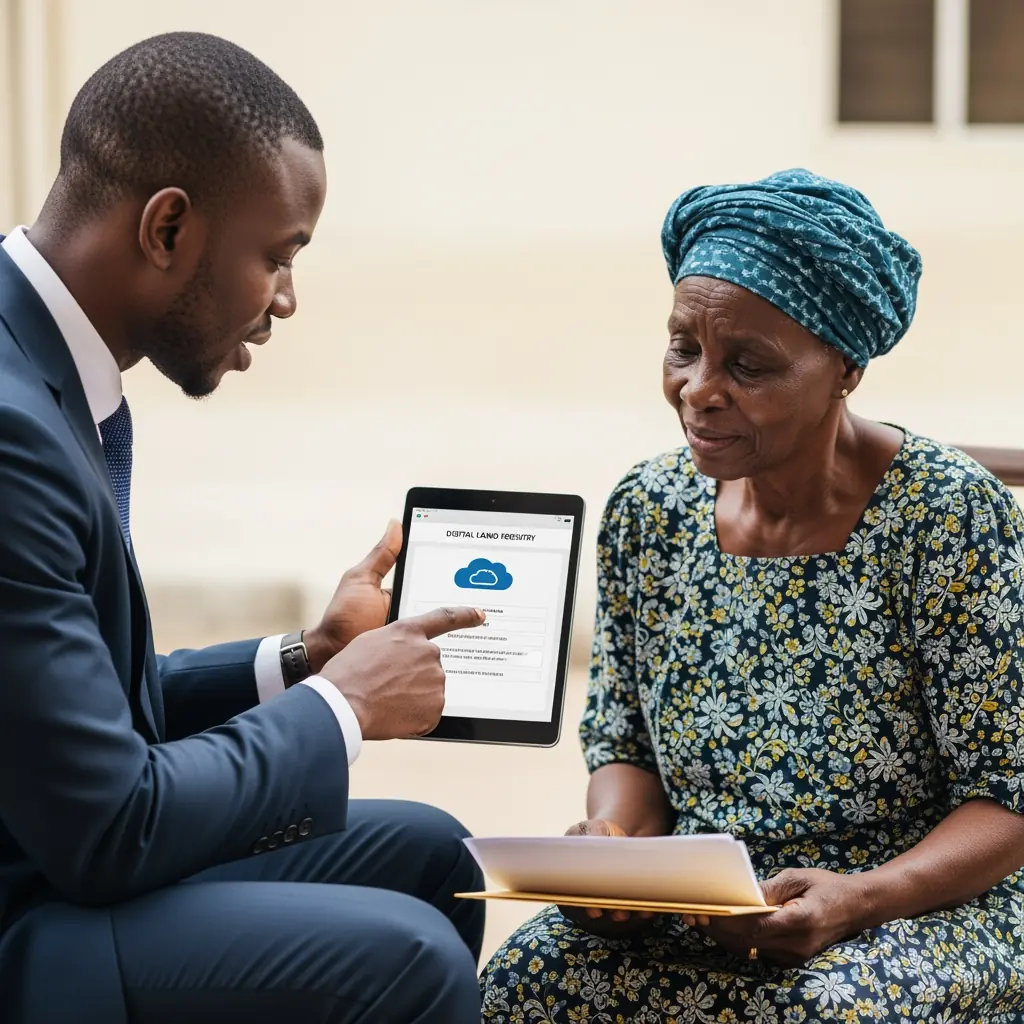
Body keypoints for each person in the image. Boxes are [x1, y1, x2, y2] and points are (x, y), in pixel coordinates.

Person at [0, 32, 487, 1024]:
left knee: (440, 859)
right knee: (408, 959)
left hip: (58, 850)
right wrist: (342, 710)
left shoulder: (44, 369)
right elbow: (108, 824)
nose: (287, 299)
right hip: (29, 911)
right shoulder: (11, 427)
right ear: (169, 227)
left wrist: (307, 661)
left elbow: (71, 722)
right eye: (278, 255)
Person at [480, 169, 1024, 1022]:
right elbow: (624, 743)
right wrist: (616, 849)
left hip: (923, 904)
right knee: (527, 982)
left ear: (844, 368)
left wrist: (859, 898)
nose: (699, 388)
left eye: (749, 365)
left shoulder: (945, 517)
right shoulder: (650, 510)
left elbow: (1006, 800)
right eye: (683, 348)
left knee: (818, 1011)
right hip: (709, 905)